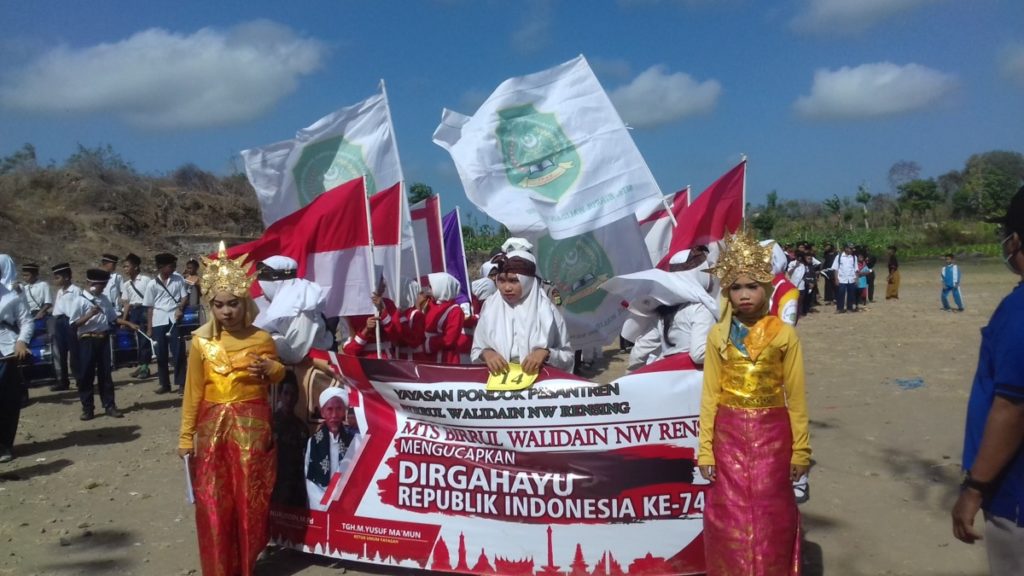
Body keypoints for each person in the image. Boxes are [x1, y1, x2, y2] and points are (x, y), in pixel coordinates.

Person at [698, 231, 810, 575]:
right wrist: (705, 450)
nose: (744, 295)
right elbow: (710, 395)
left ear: (766, 287)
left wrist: (800, 449)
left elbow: (796, 396)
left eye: (752, 286)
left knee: (773, 514)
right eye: (736, 287)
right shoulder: (718, 335)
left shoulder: (783, 334)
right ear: (726, 292)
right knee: (727, 517)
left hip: (773, 437)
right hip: (728, 436)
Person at [177, 243, 286, 576]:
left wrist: (271, 369)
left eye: (233, 303)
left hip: (251, 431)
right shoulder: (202, 342)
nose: (226, 312)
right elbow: (193, 391)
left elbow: (278, 374)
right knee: (213, 501)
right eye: (219, 304)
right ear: (210, 305)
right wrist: (186, 436)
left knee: (250, 500)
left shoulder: (262, 339)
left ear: (245, 302)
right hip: (212, 433)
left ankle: (247, 564)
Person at [950, 185, 1024, 574]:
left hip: (1016, 496)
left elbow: (1012, 407)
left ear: (1016, 241)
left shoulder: (1018, 312)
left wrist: (975, 487)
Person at [472, 244, 574, 374]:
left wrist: (546, 354)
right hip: (497, 383)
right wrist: (486, 354)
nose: (507, 288)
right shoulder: (490, 308)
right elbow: (476, 350)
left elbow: (568, 357)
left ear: (527, 281)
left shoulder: (548, 311)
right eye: (502, 280)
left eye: (513, 281)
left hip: (539, 383)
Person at [253, 256, 333, 365]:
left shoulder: (303, 308)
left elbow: (294, 355)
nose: (261, 292)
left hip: (311, 366)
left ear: (276, 286)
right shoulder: (270, 302)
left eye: (265, 288)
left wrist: (269, 337)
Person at [67, 269, 124, 420]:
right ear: (91, 283)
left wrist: (128, 323)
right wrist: (89, 315)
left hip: (103, 339)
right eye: (100, 285)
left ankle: (109, 405)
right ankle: (87, 408)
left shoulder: (104, 299)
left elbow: (112, 318)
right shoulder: (80, 300)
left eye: (104, 285)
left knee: (105, 374)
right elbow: (73, 324)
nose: (103, 288)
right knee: (86, 374)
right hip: (87, 339)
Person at [0, 254, 33, 463]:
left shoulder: (11, 297)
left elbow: (27, 321)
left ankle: (4, 445)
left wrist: (21, 341)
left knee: (7, 400)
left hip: (6, 351)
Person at [144, 253, 189, 394]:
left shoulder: (178, 279)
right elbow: (150, 307)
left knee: (178, 352)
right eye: (171, 266)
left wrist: (180, 308)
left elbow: (184, 297)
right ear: (161, 267)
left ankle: (181, 383)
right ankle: (164, 384)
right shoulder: (152, 284)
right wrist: (149, 328)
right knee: (161, 354)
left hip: (174, 319)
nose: (174, 268)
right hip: (158, 320)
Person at [305, 387, 354, 511]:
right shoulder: (314, 442)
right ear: (322, 412)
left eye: (339, 409)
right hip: (321, 506)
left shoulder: (354, 441)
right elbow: (310, 479)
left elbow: (357, 479)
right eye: (330, 409)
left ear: (344, 412)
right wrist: (325, 504)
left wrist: (343, 502)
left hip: (346, 505)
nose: (334, 415)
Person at [16, 263, 52, 405]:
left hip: (38, 315)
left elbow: (48, 303)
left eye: (28, 275)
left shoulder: (43, 285)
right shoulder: (22, 288)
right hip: (25, 316)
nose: (25, 278)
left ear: (35, 275)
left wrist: (40, 313)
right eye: (24, 275)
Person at [271, 375, 309, 508]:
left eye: (293, 394)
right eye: (286, 393)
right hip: (274, 489)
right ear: (279, 395)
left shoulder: (302, 428)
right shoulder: (270, 424)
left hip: (296, 491)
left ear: (297, 397)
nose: (289, 398)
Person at [414, 273, 466, 365]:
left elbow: (449, 339)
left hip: (445, 359)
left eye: (431, 287)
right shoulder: (429, 304)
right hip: (427, 357)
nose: (428, 290)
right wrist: (418, 306)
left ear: (441, 287)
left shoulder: (455, 310)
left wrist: (428, 344)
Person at [49, 263, 81, 392]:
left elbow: (79, 308)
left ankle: (80, 379)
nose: (55, 280)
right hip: (59, 322)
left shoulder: (76, 290)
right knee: (61, 353)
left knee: (74, 353)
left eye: (58, 278)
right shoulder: (60, 292)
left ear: (67, 277)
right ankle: (63, 381)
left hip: (70, 322)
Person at [121, 253, 153, 378]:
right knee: (137, 340)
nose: (125, 269)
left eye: (127, 266)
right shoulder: (127, 284)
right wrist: (124, 320)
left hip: (144, 310)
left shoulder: (146, 280)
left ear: (135, 267)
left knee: (145, 338)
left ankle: (145, 367)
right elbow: (127, 304)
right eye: (124, 266)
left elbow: (152, 298)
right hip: (134, 312)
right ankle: (141, 365)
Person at [831, 242, 859, 313]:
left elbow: (856, 269)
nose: (852, 250)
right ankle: (840, 308)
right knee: (841, 293)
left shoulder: (854, 257)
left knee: (851, 294)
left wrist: (856, 279)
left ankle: (849, 308)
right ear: (846, 248)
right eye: (850, 248)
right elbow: (835, 269)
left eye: (852, 249)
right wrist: (836, 279)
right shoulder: (839, 257)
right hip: (841, 279)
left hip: (851, 279)